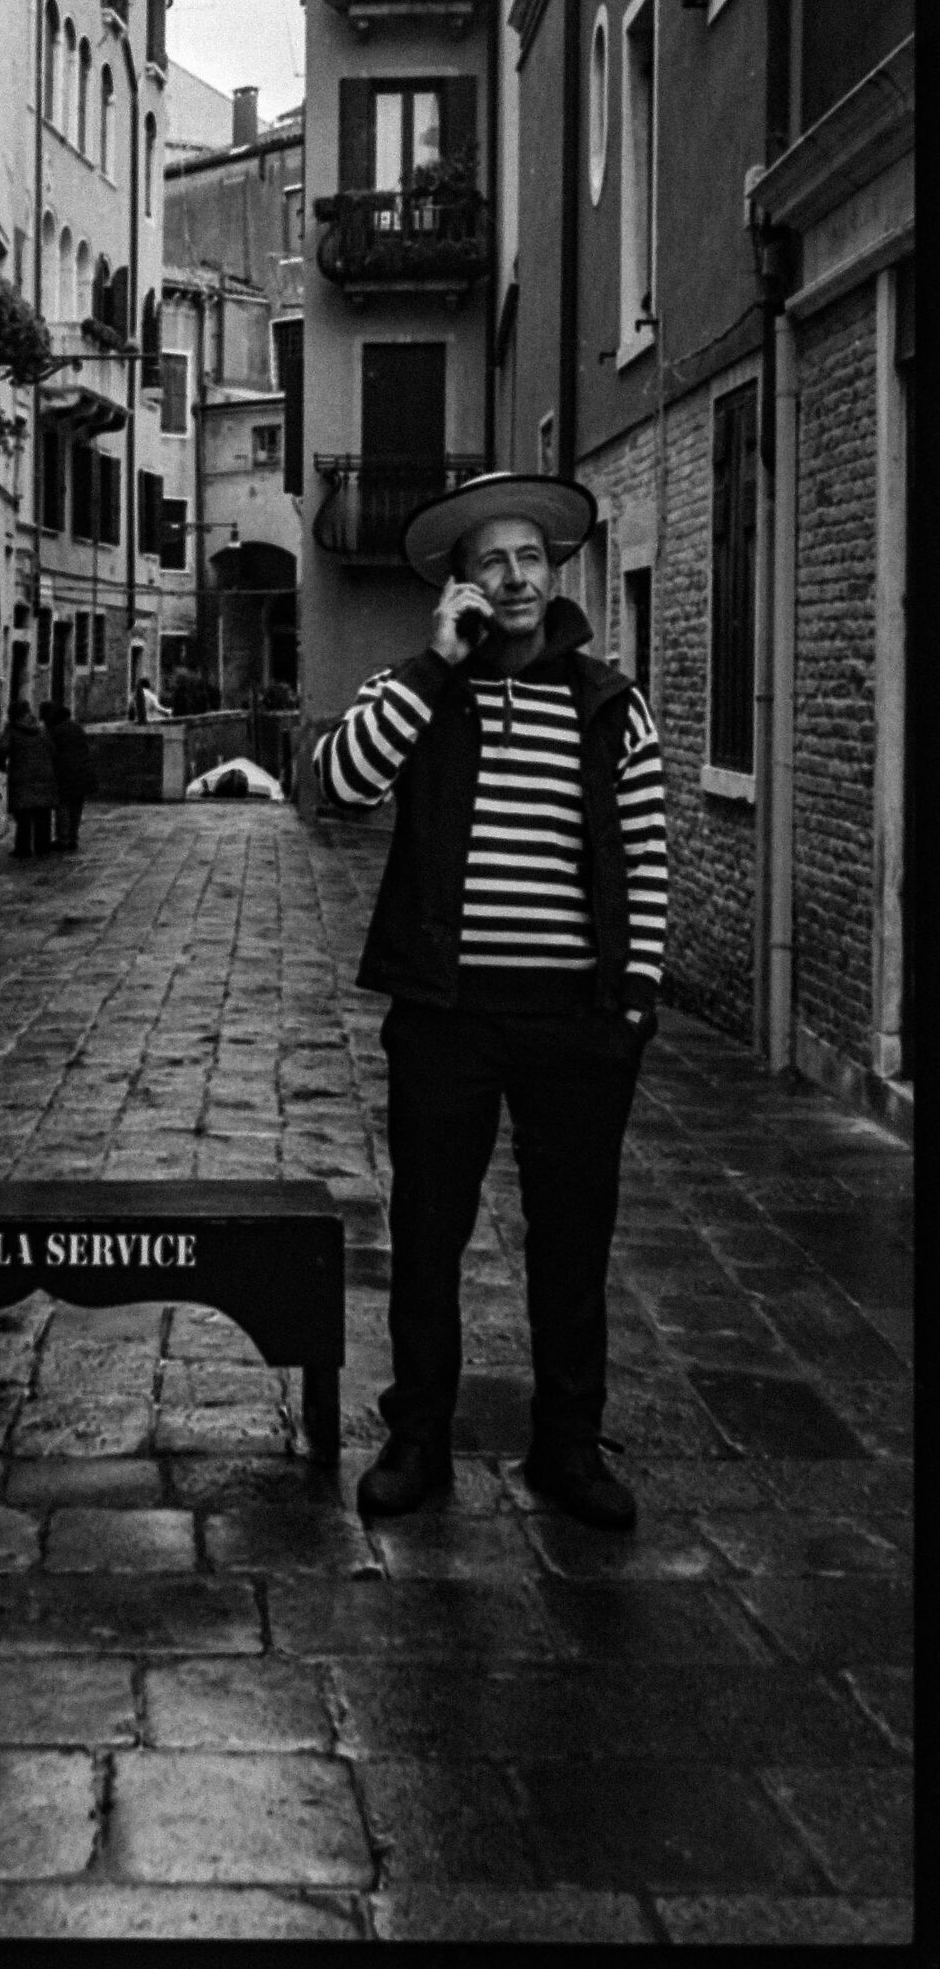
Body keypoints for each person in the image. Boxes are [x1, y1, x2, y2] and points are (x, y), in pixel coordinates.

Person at [313, 471, 667, 1531]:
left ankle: (567, 1446)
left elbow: (646, 856)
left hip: (574, 1022)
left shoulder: (609, 703)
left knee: (572, 1243)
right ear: (461, 586)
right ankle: (417, 1436)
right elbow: (337, 786)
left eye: (530, 559)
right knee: (427, 1235)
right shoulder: (417, 691)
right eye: (491, 563)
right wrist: (433, 665)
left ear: (552, 575)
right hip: (446, 1017)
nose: (514, 578)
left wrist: (633, 1001)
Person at [0, 697, 58, 859]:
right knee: (42, 814)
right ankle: (42, 847)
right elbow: (52, 750)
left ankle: (23, 849)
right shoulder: (41, 729)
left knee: (23, 816)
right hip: (44, 776)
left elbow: (2, 749)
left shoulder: (12, 730)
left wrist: (0, 765)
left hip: (22, 776)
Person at [40, 699, 97, 851]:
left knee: (63, 805)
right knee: (76, 807)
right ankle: (72, 836)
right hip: (82, 772)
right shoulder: (76, 727)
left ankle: (63, 838)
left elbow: (50, 751)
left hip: (65, 773)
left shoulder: (55, 731)